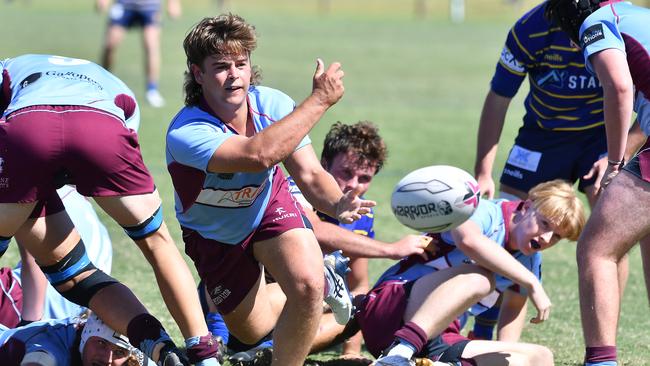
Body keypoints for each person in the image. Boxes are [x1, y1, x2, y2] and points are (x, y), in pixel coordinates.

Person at [165, 14, 374, 366]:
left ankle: (315, 286)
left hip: (268, 206)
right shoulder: (187, 132)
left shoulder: (272, 104)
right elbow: (256, 155)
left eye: (241, 64)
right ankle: (324, 280)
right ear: (198, 74)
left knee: (307, 287)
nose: (234, 75)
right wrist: (319, 100)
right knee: (252, 329)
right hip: (216, 236)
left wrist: (337, 203)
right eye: (220, 66)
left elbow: (308, 173)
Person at [0, 54, 220, 366]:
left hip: (28, 129)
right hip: (102, 128)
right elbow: (127, 129)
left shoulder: (8, 68)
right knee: (152, 244)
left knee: (72, 274)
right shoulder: (115, 86)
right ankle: (190, 355)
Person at [471, 0, 646, 341]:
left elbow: (640, 99)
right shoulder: (528, 30)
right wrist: (483, 170)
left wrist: (619, 153)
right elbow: (499, 96)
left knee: (611, 218)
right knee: (507, 221)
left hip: (602, 135)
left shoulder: (611, 24)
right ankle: (482, 327)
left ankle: (603, 328)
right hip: (543, 136)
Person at [351, 179, 585, 365]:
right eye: (545, 224)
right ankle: (398, 354)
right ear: (527, 205)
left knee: (540, 358)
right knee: (481, 278)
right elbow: (469, 241)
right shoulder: (483, 210)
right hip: (390, 308)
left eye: (557, 236)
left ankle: (430, 363)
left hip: (437, 336)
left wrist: (504, 353)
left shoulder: (529, 260)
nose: (546, 239)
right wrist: (532, 282)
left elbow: (513, 306)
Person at [545, 1, 650, 365]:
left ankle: (601, 362)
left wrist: (616, 161)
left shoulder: (597, 23)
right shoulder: (638, 15)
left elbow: (618, 87)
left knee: (596, 249)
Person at [96, 0, 182, 108]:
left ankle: (152, 90)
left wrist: (173, 3)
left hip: (150, 6)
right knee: (110, 45)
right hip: (124, 4)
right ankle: (102, 83)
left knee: (151, 46)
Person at [0, 312, 151, 366]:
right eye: (101, 343)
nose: (108, 359)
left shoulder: (135, 357)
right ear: (85, 336)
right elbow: (40, 359)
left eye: (119, 351)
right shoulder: (54, 348)